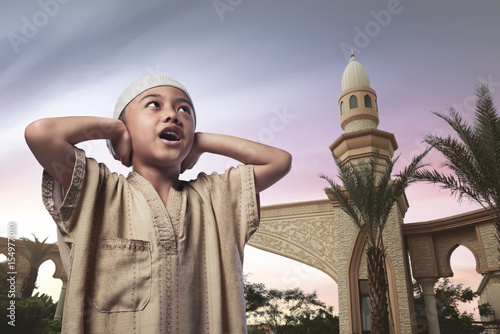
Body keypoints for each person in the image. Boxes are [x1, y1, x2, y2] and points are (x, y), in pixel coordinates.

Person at [25, 73, 292, 334]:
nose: (173, 115)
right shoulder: (97, 190)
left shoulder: (215, 197)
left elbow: (279, 161)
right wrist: (115, 130)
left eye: (185, 110)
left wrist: (201, 142)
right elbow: (40, 134)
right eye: (154, 105)